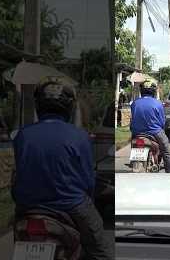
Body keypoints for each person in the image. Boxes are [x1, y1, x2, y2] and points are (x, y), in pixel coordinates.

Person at [11, 78, 112, 260]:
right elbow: (88, 181)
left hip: (27, 207)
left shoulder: (22, 135)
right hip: (72, 205)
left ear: (39, 106)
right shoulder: (80, 137)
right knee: (100, 252)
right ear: (69, 107)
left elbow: (18, 173)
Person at [130, 79, 170, 173]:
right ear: (153, 92)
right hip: (155, 132)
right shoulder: (158, 103)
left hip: (137, 133)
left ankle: (133, 161)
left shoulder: (135, 103)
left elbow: (132, 119)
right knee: (166, 152)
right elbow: (162, 122)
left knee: (134, 144)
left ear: (141, 91)